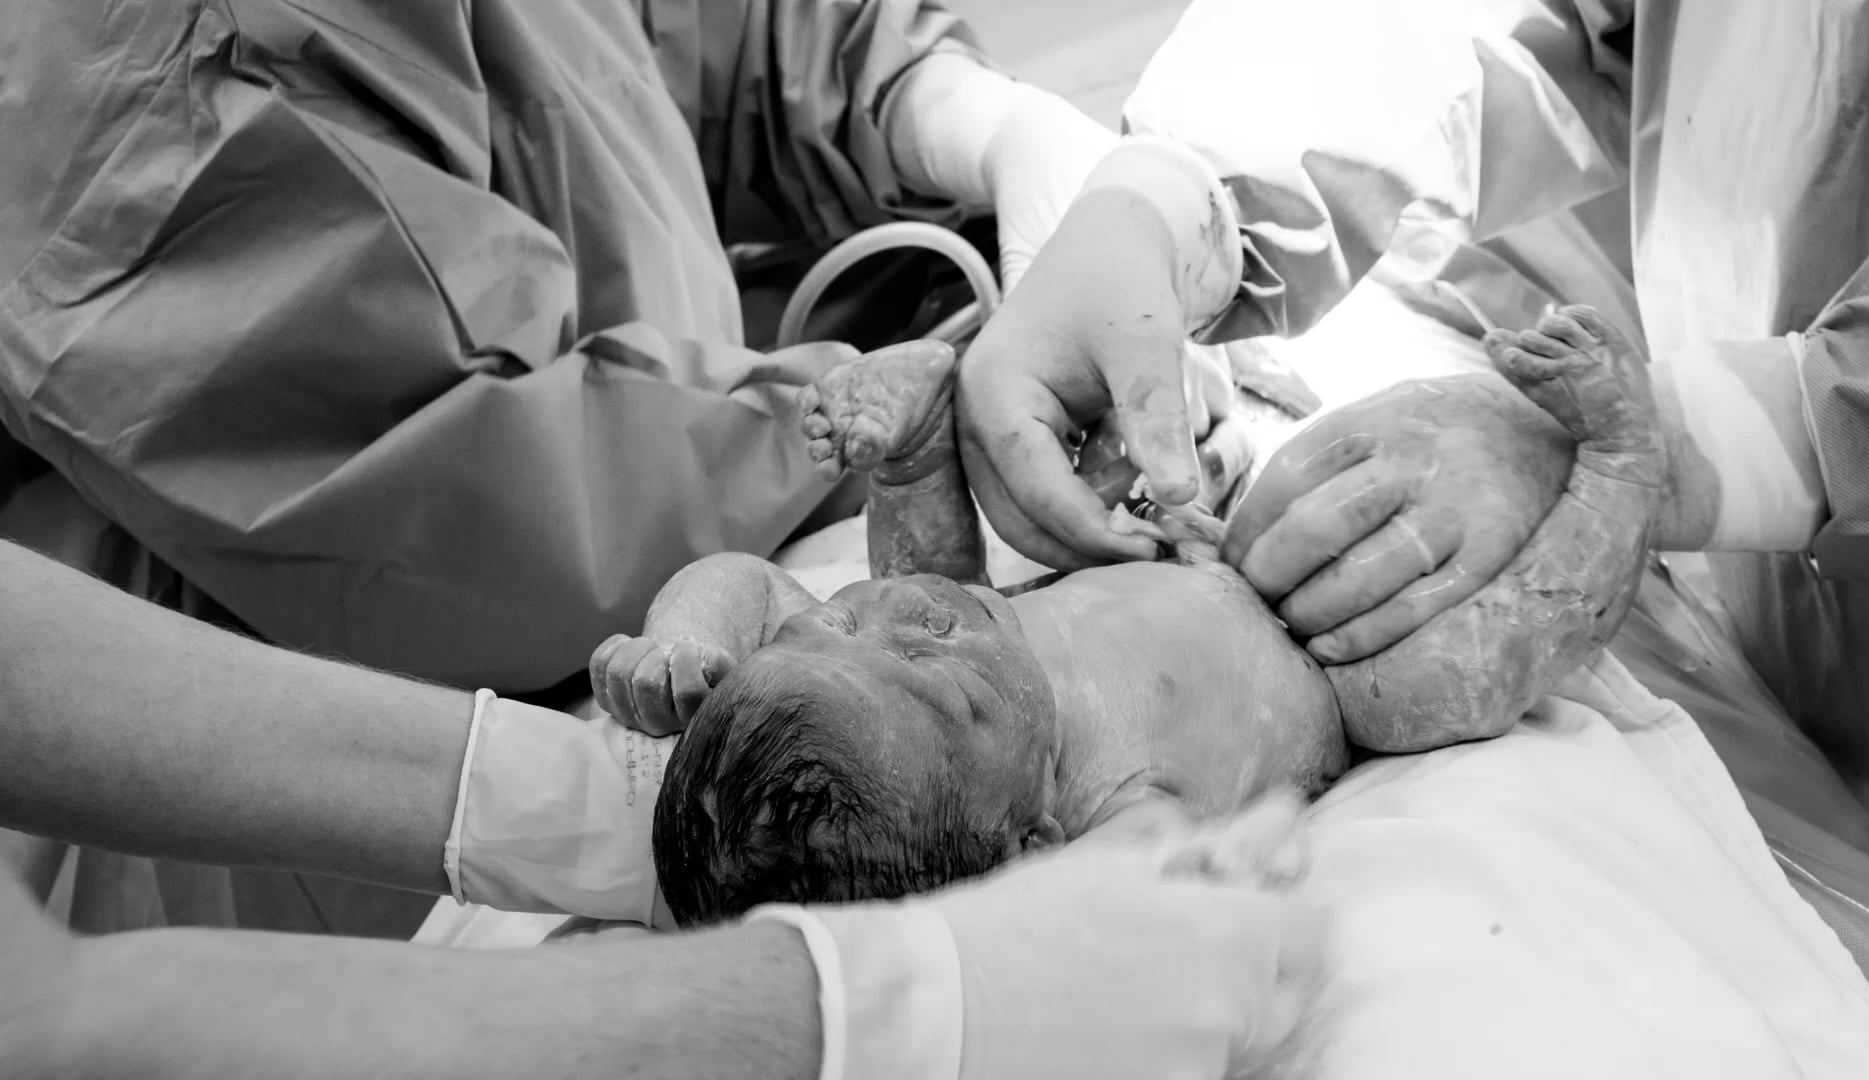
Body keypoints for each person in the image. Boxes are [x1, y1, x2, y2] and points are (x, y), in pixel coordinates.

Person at [0, 0, 1117, 932]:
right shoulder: (134, 63)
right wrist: (867, 415)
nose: (903, 624)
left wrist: (943, 111)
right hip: (352, 769)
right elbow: (474, 499)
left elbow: (644, 44)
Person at [954, 0, 1869, 864]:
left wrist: (1702, 441)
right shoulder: (1369, 713)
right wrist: (1176, 199)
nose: (889, 625)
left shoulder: (1396, 689)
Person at [0, 537, 1322, 1080]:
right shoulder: (1070, 810)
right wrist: (857, 1004)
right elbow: (51, 1029)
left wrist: (557, 795)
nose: (904, 622)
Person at [585, 294, 1662, 925]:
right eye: (928, 671)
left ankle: (911, 444)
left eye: (829, 626)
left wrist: (687, 639)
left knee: (957, 561)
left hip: (1195, 541)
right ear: (1026, 842)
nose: (898, 613)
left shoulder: (928, 640)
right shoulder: (1105, 821)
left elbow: (749, 574)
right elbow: (1145, 910)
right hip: (1333, 672)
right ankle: (1622, 463)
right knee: (1456, 679)